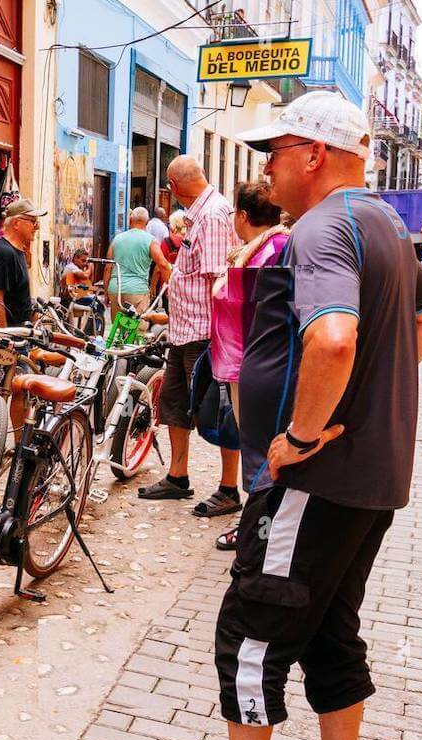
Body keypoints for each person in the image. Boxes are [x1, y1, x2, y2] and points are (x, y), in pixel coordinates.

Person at [198, 91, 422, 740]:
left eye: (273, 153)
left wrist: (300, 435)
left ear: (312, 155)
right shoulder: (383, 225)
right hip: (368, 481)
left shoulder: (323, 230)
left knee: (252, 634)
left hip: (316, 482)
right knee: (332, 635)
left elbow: (333, 339)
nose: (267, 170)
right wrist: (371, 395)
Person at [138, 155, 243, 520]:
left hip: (203, 332)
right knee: (174, 404)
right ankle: (177, 477)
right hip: (184, 330)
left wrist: (221, 339)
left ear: (174, 186)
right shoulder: (201, 214)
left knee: (218, 411)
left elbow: (219, 280)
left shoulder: (213, 215)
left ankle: (229, 488)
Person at [210, 182, 288, 551]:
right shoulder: (260, 249)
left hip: (253, 364)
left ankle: (256, 531)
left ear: (242, 216)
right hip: (246, 363)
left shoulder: (269, 252)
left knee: (258, 447)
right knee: (253, 443)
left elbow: (244, 304)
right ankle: (259, 526)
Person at [0, 197, 44, 328]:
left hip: (22, 336)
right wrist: (5, 341)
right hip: (13, 340)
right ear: (16, 223)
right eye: (33, 221)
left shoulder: (16, 251)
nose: (36, 227)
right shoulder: (4, 253)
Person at [103, 207, 170, 319]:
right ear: (147, 222)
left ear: (130, 220)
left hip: (115, 289)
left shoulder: (117, 239)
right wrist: (171, 286)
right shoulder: (150, 241)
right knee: (137, 330)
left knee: (118, 328)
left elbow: (108, 267)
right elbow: (163, 264)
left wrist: (106, 291)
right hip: (136, 290)